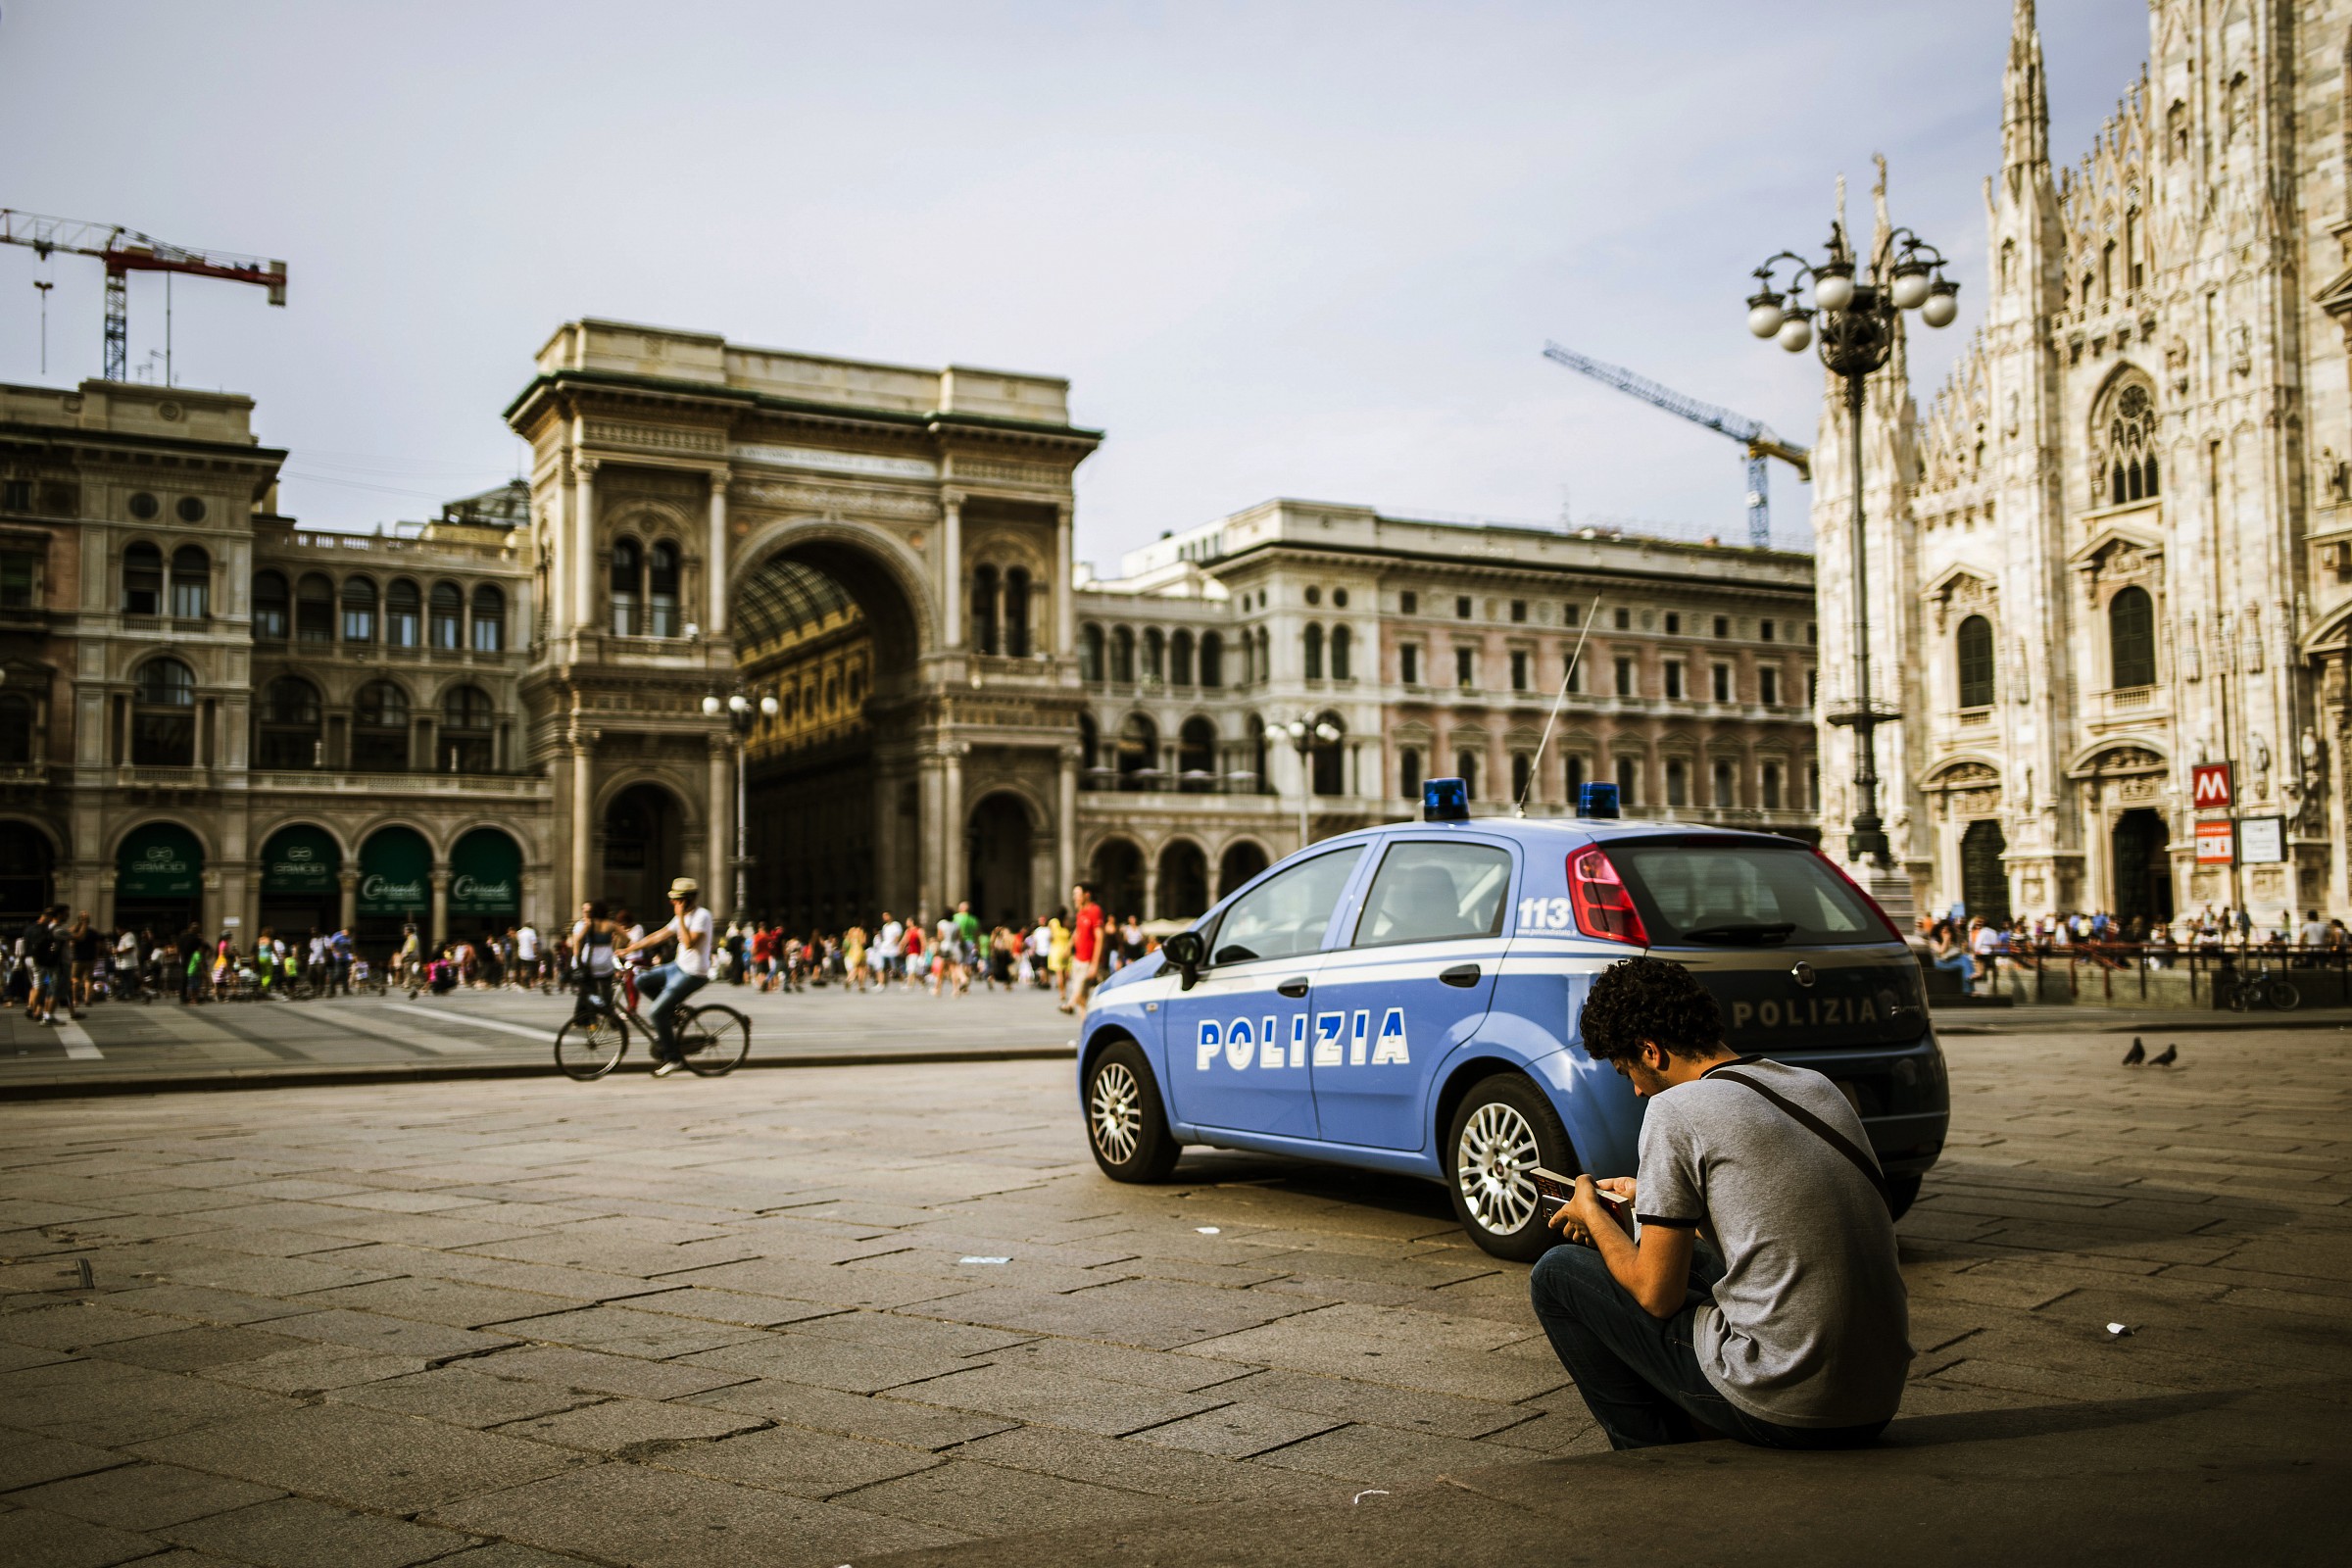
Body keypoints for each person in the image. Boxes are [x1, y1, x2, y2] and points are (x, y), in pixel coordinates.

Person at [1528, 956, 1910, 1451]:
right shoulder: (1815, 1086)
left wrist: (1594, 1218)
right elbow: (1769, 1211)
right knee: (1689, 1255)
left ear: (1651, 1051)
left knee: (1557, 1274)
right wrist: (1651, 1196)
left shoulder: (1675, 1109)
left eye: (1628, 1072)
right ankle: (1703, 1422)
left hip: (1792, 1401)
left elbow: (1656, 1295)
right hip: (1875, 1395)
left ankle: (1650, 1455)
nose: (1638, 1090)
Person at [618, 877, 714, 1078]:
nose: (672, 902)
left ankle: (673, 1059)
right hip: (678, 966)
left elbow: (689, 943)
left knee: (655, 1013)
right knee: (640, 980)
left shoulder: (702, 916)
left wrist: (680, 917)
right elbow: (658, 936)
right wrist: (628, 949)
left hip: (694, 973)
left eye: (676, 899)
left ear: (687, 900)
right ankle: (670, 1012)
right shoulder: (683, 916)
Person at [1063, 884, 1105, 1018]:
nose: (1074, 898)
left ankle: (1070, 1004)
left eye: (1077, 894)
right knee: (1083, 1000)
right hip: (1078, 959)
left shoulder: (1095, 911)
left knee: (1079, 988)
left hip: (1088, 960)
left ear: (1087, 895)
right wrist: (1068, 947)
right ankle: (1085, 1026)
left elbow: (1100, 937)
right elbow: (1077, 932)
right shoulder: (1081, 912)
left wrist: (1095, 963)